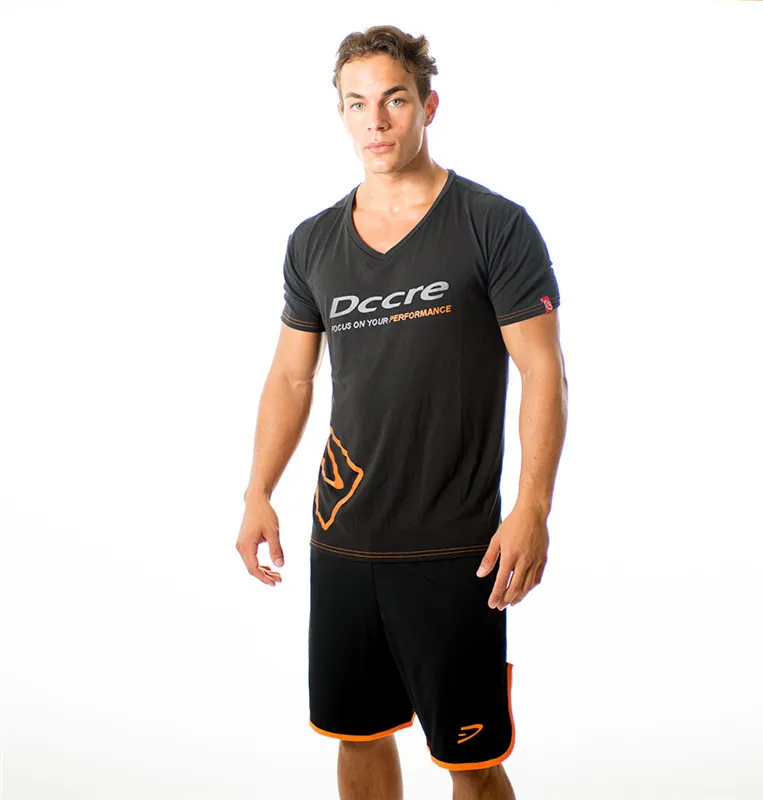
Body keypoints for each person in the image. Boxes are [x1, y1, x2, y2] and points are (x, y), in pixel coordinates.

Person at [237, 24, 568, 800]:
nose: (376, 121)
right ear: (341, 114)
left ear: (428, 106)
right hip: (344, 538)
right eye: (357, 104)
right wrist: (257, 491)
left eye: (394, 100)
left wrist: (532, 508)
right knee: (357, 737)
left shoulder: (492, 225)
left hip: (457, 545)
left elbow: (544, 373)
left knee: (471, 762)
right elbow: (291, 377)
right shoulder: (313, 242)